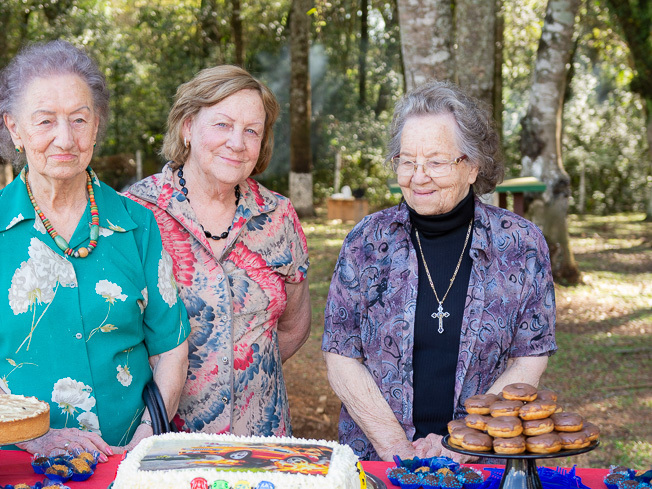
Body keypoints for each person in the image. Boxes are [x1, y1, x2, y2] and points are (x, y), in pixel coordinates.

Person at [0, 41, 189, 460]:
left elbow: (171, 347)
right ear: (14, 128)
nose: (65, 138)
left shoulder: (138, 224)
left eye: (79, 120)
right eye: (45, 121)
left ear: (96, 125)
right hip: (17, 464)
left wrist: (147, 438)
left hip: (126, 459)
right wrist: (36, 440)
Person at [322, 81, 557, 461]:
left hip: (485, 460)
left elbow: (529, 356)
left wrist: (463, 442)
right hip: (377, 459)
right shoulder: (366, 241)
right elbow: (341, 355)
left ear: (472, 166)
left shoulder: (521, 244)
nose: (418, 176)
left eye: (435, 161)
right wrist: (396, 448)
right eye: (407, 161)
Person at [128, 65, 311, 437]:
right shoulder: (135, 213)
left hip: (262, 438)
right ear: (188, 127)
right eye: (222, 125)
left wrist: (240, 377)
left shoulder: (279, 216)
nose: (237, 143)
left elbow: (293, 327)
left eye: (251, 131)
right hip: (159, 439)